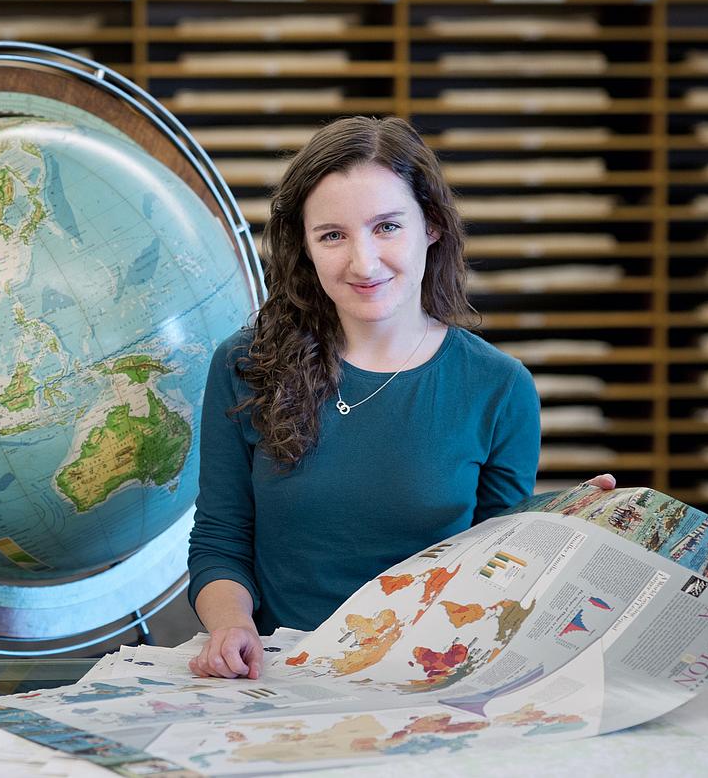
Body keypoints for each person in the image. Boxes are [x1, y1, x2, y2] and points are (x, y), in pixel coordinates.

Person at [187, 116, 613, 680]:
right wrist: (230, 626)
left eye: (387, 226)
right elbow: (220, 538)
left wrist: (564, 530)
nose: (363, 263)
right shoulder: (244, 365)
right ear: (304, 247)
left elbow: (497, 574)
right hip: (277, 675)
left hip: (428, 677)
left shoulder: (500, 387)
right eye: (332, 235)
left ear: (431, 225)